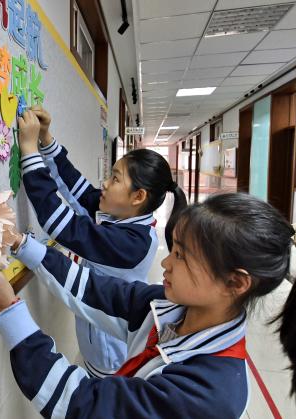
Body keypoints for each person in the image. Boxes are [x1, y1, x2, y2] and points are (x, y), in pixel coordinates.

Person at [0, 193, 296, 418]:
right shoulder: (168, 307)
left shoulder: (210, 393)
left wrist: (9, 310)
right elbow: (91, 289)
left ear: (235, 283)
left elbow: (84, 406)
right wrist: (22, 244)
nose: (166, 264)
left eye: (181, 256)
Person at [16, 107, 186, 376]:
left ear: (138, 196)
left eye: (115, 179)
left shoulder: (131, 243)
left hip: (110, 355)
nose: (105, 184)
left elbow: (60, 223)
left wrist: (28, 150)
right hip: (98, 339)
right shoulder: (128, 216)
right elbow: (80, 190)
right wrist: (46, 141)